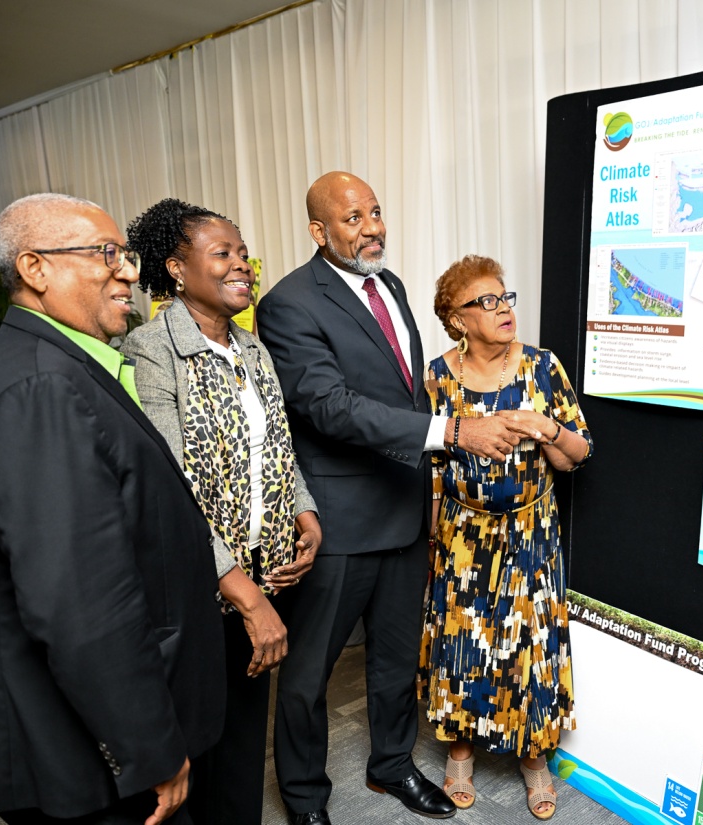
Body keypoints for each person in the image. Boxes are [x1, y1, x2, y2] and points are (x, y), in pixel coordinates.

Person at [0, 193, 224, 824]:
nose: (128, 273)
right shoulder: (40, 387)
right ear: (35, 268)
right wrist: (149, 747)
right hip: (80, 750)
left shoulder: (56, 366)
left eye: (125, 256)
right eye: (106, 254)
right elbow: (80, 602)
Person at [257, 172, 523, 825]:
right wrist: (452, 432)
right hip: (338, 522)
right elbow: (329, 407)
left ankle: (393, 765)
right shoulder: (289, 303)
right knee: (308, 675)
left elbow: (402, 393)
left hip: (403, 511)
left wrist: (429, 489)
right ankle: (304, 797)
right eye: (353, 218)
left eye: (375, 212)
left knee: (398, 658)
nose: (372, 227)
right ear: (319, 230)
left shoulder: (391, 285)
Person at [121, 198, 323, 825]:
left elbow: (277, 447)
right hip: (200, 585)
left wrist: (305, 512)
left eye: (244, 254)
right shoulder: (151, 351)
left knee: (242, 736)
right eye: (223, 254)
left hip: (265, 569)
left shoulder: (253, 349)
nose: (242, 265)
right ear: (177, 269)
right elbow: (170, 490)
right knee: (196, 741)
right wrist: (247, 598)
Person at [421, 255, 593, 821]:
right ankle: (461, 753)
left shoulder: (543, 367)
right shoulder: (437, 376)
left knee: (529, 647)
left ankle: (534, 758)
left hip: (530, 532)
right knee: (463, 646)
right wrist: (430, 537)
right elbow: (428, 464)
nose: (503, 309)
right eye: (486, 302)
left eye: (505, 297)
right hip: (462, 534)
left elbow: (577, 456)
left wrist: (548, 429)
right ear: (457, 318)